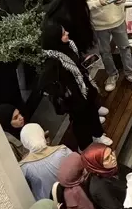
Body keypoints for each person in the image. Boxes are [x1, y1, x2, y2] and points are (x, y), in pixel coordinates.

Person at [39, 20, 109, 149]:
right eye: (63, 33)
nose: (67, 33)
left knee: (93, 111)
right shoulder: (52, 61)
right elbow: (46, 84)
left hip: (84, 87)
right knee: (80, 123)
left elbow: (78, 63)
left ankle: (98, 135)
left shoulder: (70, 45)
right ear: (56, 39)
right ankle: (85, 146)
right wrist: (64, 93)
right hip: (73, 98)